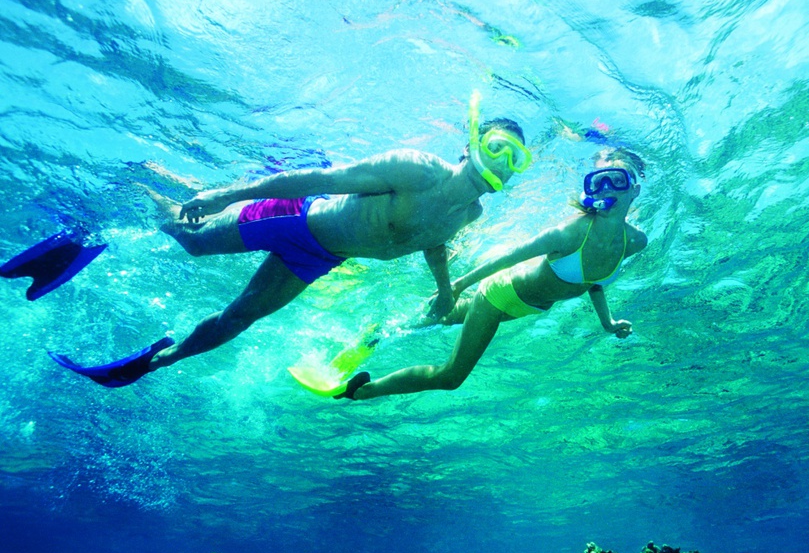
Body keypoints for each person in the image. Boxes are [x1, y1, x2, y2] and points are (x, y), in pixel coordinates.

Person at [48, 93, 532, 388]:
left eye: (515, 160)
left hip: (320, 257)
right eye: (496, 148)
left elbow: (433, 241)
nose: (502, 164)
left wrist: (445, 289)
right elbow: (315, 178)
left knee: (239, 319)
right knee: (190, 240)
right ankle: (143, 184)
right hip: (294, 219)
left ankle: (155, 363)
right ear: (470, 143)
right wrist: (227, 194)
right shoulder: (416, 168)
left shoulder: (470, 212)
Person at [342, 147, 648, 400]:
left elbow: (593, 282)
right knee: (451, 377)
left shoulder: (634, 241)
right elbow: (509, 257)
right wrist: (457, 285)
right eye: (598, 182)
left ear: (633, 190)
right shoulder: (570, 233)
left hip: (524, 307)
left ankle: (380, 333)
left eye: (616, 181)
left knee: (436, 320)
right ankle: (362, 392)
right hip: (499, 296)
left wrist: (607, 322)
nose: (606, 189)